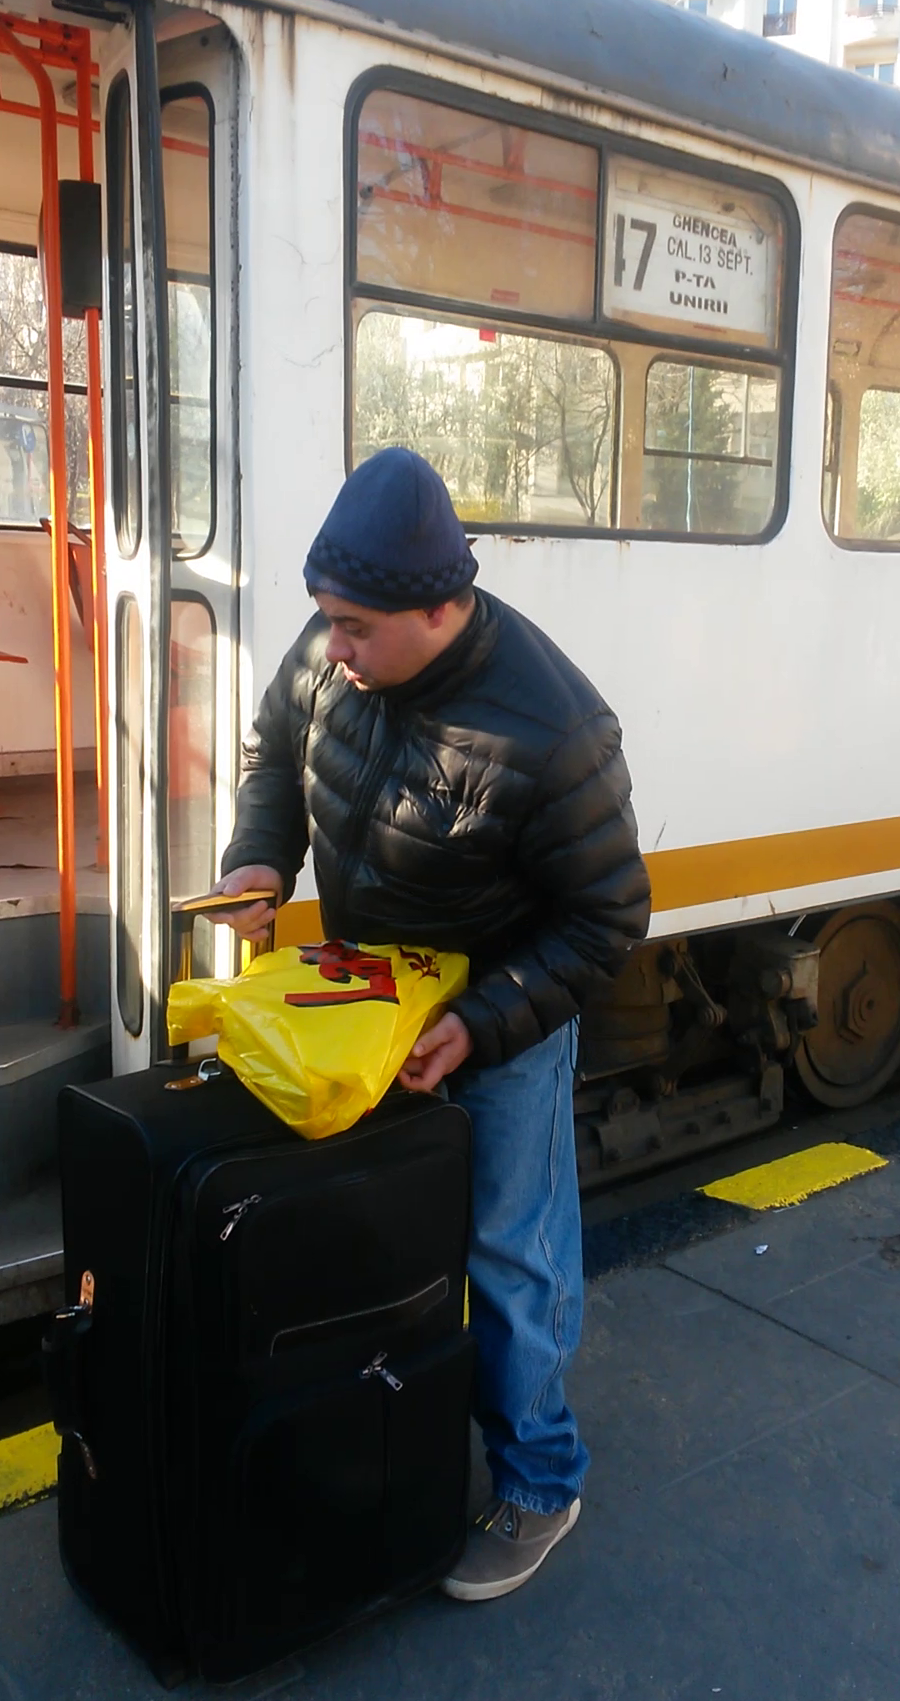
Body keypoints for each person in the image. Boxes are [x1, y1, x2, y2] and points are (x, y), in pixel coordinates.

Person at [214, 447, 651, 1601]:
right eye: (326, 624)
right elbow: (274, 755)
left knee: (510, 1255)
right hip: (368, 999)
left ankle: (541, 1482)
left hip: (493, 1015)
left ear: (440, 609)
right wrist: (258, 860)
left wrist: (489, 1021)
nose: (331, 651)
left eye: (354, 628)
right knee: (383, 1241)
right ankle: (383, 1449)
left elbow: (609, 917)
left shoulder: (554, 731)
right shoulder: (336, 652)